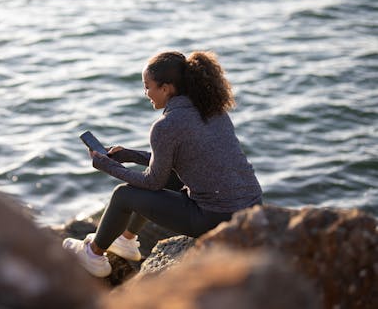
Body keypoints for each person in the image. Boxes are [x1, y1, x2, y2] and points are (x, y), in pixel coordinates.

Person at [63, 50, 263, 277]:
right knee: (163, 177)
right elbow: (183, 160)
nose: (145, 93)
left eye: (147, 86)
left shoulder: (166, 126)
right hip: (251, 208)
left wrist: (107, 166)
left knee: (124, 195)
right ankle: (125, 241)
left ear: (166, 88)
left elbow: (153, 181)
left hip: (216, 218)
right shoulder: (212, 109)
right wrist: (129, 155)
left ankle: (93, 255)